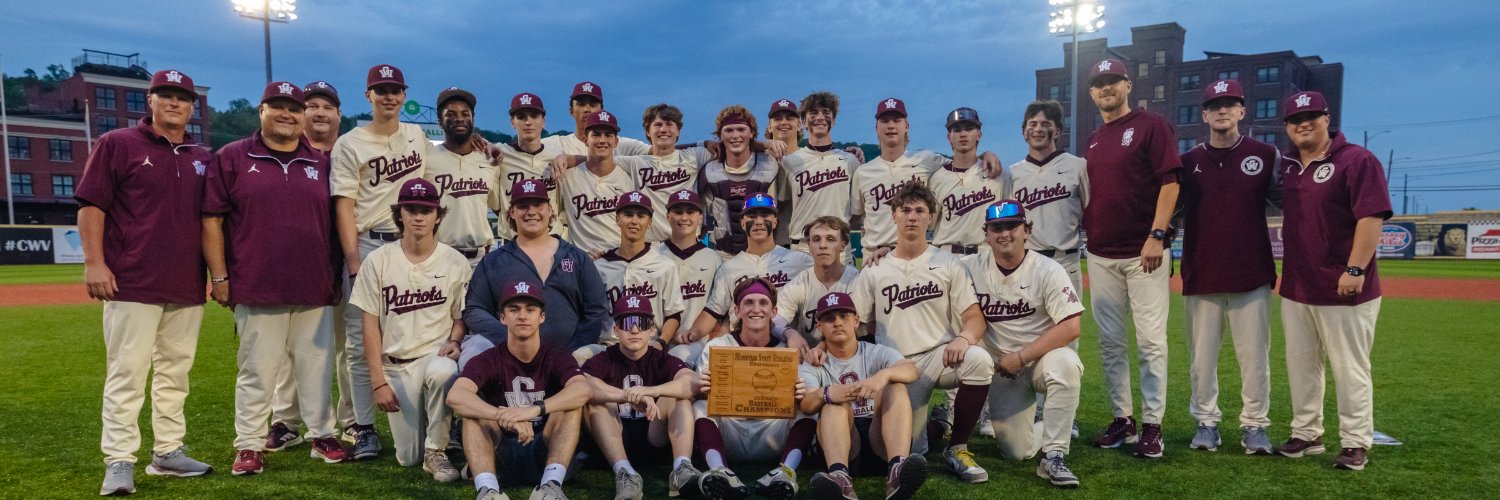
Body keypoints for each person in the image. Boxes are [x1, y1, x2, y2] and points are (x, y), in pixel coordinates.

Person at [79, 68, 215, 496]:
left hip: (185, 283)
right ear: (150, 101)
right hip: (130, 280)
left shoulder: (201, 156)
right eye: (166, 95)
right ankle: (119, 459)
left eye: (182, 97)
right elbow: (91, 205)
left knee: (176, 374)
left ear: (192, 107)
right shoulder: (117, 144)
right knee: (127, 373)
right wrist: (94, 263)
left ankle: (168, 452)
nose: (174, 103)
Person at [202, 81, 347, 476]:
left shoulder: (320, 162)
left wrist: (334, 275)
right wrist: (219, 277)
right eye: (277, 107)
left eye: (293, 108)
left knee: (315, 366)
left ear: (302, 116)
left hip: (313, 283)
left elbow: (336, 225)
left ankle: (322, 434)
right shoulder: (233, 156)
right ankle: (248, 444)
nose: (287, 114)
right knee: (257, 368)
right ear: (261, 110)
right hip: (257, 282)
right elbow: (212, 220)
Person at [1274, 91, 1391, 471]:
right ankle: (1307, 433)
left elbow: (1371, 217)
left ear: (1327, 118)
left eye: (1311, 116)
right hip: (1298, 285)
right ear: (1288, 127)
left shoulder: (1357, 159)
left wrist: (1355, 269)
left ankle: (1356, 441)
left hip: (1345, 286)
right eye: (1295, 119)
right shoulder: (1289, 165)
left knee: (1349, 367)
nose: (1303, 123)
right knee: (1302, 366)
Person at [848, 183, 995, 482]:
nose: (912, 217)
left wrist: (964, 338)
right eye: (905, 210)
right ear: (894, 216)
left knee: (979, 359)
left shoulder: (949, 262)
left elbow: (974, 318)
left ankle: (958, 448)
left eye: (919, 211)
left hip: (940, 356)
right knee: (911, 450)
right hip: (897, 365)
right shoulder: (875, 269)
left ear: (931, 218)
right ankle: (940, 423)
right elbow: (856, 323)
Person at [1080, 58, 1181, 458]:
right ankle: (1123, 418)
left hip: (1145, 254)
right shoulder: (1093, 139)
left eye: (1112, 81)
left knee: (1151, 341)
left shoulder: (1151, 125)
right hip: (1102, 254)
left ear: (1127, 85)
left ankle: (1153, 424)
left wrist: (1157, 235)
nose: (1106, 88)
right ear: (1091, 93)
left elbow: (1170, 182)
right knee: (1110, 344)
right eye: (1099, 83)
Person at [330, 64, 430, 460]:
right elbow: (344, 204)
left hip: (411, 244)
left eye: (395, 89)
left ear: (404, 95)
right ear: (368, 95)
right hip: (370, 245)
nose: (388, 96)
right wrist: (354, 261)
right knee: (359, 343)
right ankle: (364, 427)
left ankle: (427, 419)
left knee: (415, 334)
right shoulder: (350, 142)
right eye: (380, 89)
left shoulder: (417, 135)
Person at [1178, 79, 1281, 454]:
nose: (1222, 110)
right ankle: (1207, 422)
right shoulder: (1188, 163)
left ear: (1242, 111)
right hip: (1202, 271)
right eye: (1215, 105)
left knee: (1254, 357)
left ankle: (1254, 425)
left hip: (1250, 271)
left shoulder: (1265, 155)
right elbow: (1168, 212)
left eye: (1230, 103)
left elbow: (1294, 203)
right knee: (1202, 358)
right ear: (1204, 114)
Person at [348, 178, 471, 481]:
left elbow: (459, 317)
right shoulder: (378, 260)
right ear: (399, 213)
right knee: (407, 458)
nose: (418, 216)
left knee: (444, 371)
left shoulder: (455, 261)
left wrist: (455, 341)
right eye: (411, 209)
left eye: (426, 210)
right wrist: (378, 382)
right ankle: (430, 438)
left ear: (438, 216)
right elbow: (369, 326)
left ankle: (437, 450)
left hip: (434, 355)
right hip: (395, 366)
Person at [959, 200, 1085, 488]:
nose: (1005, 234)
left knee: (1066, 364)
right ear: (986, 234)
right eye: (997, 228)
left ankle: (1054, 455)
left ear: (1027, 230)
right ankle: (1050, 428)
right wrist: (883, 253)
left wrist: (1022, 355)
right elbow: (931, 267)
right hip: (1004, 371)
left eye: (1012, 226)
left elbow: (1071, 325)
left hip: (1041, 360)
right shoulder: (969, 268)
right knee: (1016, 452)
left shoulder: (1047, 269)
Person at [265, 80, 353, 452]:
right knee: (293, 348)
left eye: (327, 106)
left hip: (349, 257)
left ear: (338, 114)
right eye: (311, 104)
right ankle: (286, 420)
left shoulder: (351, 150)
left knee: (352, 346)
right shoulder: (286, 151)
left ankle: (352, 420)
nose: (319, 112)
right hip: (300, 262)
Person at [448, 279, 593, 500]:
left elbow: (583, 390)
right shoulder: (488, 359)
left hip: (543, 452)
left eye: (530, 309)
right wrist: (502, 415)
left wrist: (533, 410)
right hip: (501, 452)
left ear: (541, 317)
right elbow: (456, 396)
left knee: (570, 406)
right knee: (472, 414)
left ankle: (550, 487)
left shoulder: (557, 356)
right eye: (514, 310)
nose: (522, 316)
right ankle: (488, 490)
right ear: (502, 318)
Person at [693, 278, 818, 500]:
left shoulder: (789, 350)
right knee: (700, 405)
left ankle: (786, 471)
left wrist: (799, 395)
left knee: (810, 408)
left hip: (774, 432)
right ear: (737, 310)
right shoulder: (718, 347)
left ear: (774, 311)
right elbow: (704, 393)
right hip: (731, 431)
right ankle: (719, 470)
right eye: (748, 303)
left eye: (763, 303)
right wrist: (705, 388)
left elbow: (807, 398)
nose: (756, 309)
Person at [463, 179, 609, 366]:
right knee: (474, 353)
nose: (531, 212)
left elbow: (596, 311)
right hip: (509, 361)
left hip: (572, 359)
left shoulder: (577, 258)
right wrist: (510, 339)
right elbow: (474, 309)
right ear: (512, 213)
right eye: (523, 206)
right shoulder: (493, 261)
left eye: (538, 205)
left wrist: (573, 352)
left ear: (550, 209)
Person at [798, 292, 928, 500]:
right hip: (842, 444)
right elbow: (805, 404)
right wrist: (827, 393)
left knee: (895, 387)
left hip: (881, 439)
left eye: (844, 316)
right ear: (819, 327)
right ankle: (840, 479)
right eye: (830, 318)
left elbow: (912, 371)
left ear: (856, 321)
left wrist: (883, 376)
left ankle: (897, 471)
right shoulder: (814, 363)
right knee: (832, 403)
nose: (838, 322)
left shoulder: (875, 352)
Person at [851, 98, 1004, 266]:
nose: (891, 125)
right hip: (874, 258)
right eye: (885, 121)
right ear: (876, 128)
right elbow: (854, 218)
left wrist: (986, 155)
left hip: (914, 255)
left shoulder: (927, 161)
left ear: (906, 126)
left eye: (897, 120)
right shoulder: (863, 172)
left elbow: (963, 162)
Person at [581, 295, 703, 499]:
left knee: (677, 396)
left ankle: (682, 467)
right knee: (595, 402)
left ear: (652, 330)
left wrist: (651, 391)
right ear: (616, 330)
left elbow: (691, 382)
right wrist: (626, 396)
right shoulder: (604, 358)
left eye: (642, 323)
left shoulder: (660, 358)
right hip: (614, 438)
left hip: (653, 435)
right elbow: (581, 385)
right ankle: (625, 472)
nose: (635, 330)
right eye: (627, 323)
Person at [679, 194, 813, 366]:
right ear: (742, 223)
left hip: (784, 343)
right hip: (741, 344)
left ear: (775, 222)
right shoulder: (729, 268)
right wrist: (692, 333)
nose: (758, 221)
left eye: (765, 215)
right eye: (752, 216)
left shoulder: (799, 261)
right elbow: (714, 310)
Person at [582, 191, 685, 362]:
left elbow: (673, 314)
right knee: (578, 356)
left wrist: (661, 343)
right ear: (617, 219)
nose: (634, 221)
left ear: (650, 222)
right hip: (608, 346)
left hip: (649, 346)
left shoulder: (664, 265)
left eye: (641, 215)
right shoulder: (599, 266)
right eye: (628, 215)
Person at [1007, 100, 1088, 294]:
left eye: (1045, 124)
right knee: (1027, 324)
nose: (1038, 129)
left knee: (1068, 323)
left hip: (1066, 261)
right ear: (1024, 132)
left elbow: (1091, 210)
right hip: (1027, 261)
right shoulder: (1012, 174)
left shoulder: (1077, 166)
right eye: (1032, 124)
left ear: (1058, 131)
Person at [778, 93, 860, 259]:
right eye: (813, 113)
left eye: (826, 112)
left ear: (834, 120)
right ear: (803, 121)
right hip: (802, 247)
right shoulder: (790, 162)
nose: (820, 117)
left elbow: (857, 212)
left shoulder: (849, 161)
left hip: (839, 248)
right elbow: (783, 206)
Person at [425, 87, 500, 266]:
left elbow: (498, 207)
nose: (459, 118)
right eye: (450, 114)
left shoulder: (489, 160)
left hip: (481, 258)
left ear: (473, 119)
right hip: (439, 257)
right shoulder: (426, 159)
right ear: (439, 122)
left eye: (465, 113)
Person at [699, 105, 786, 257]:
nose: (735, 135)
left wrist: (767, 144)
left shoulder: (770, 164)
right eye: (729, 130)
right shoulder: (710, 170)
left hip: (764, 256)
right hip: (724, 256)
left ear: (752, 133)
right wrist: (703, 142)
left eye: (741, 129)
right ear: (720, 135)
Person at [775, 216, 859, 360]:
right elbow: (774, 323)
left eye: (830, 239)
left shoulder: (857, 281)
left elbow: (863, 328)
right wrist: (790, 333)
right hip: (810, 359)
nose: (823, 245)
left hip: (850, 357)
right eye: (816, 239)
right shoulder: (799, 283)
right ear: (809, 245)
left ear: (843, 245)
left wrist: (823, 346)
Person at [929, 107, 1009, 256]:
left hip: (985, 255)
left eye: (969, 129)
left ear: (979, 134)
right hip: (947, 256)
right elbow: (928, 224)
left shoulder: (996, 174)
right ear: (949, 137)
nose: (963, 134)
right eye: (957, 130)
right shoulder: (937, 178)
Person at [555, 110, 636, 257]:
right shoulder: (568, 176)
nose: (602, 140)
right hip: (582, 262)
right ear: (586, 140)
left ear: (616, 142)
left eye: (608, 135)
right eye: (596, 134)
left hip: (620, 261)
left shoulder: (629, 179)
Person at [656, 189, 725, 352]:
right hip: (655, 340)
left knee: (680, 356)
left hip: (695, 343)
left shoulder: (713, 258)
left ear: (700, 217)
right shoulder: (653, 255)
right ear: (668, 217)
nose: (684, 217)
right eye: (678, 212)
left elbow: (719, 307)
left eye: (690, 212)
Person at [491, 92, 566, 242]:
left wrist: (567, 158)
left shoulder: (556, 156)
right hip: (513, 242)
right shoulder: (501, 153)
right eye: (521, 117)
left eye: (534, 116)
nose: (528, 122)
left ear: (543, 121)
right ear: (512, 121)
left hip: (551, 240)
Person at [540, 81, 651, 156]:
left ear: (602, 112)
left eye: (593, 105)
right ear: (571, 111)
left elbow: (658, 151)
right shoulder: (557, 143)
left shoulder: (620, 145)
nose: (587, 109)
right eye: (581, 104)